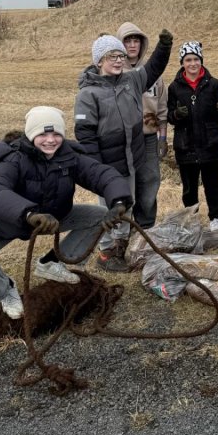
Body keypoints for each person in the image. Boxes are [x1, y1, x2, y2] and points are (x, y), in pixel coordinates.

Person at [0, 106, 132, 319]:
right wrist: (28, 214)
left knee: (99, 215)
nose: (50, 140)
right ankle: (5, 291)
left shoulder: (69, 156)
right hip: (8, 220)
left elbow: (102, 174)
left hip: (53, 217)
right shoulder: (13, 158)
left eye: (56, 134)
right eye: (43, 134)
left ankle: (52, 263)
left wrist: (118, 201)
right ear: (31, 134)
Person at [75, 30, 173, 271]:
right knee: (109, 207)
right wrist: (96, 168)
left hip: (131, 158)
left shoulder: (131, 81)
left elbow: (153, 68)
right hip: (106, 162)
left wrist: (164, 45)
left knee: (127, 203)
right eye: (112, 56)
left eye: (121, 56)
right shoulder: (88, 94)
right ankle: (106, 252)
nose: (119, 61)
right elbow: (85, 134)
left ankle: (121, 247)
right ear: (99, 61)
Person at [167, 41, 218, 230]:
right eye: (188, 60)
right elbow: (169, 116)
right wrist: (177, 114)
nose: (192, 63)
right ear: (182, 63)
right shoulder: (174, 87)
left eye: (196, 59)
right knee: (189, 188)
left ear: (201, 60)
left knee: (213, 185)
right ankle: (192, 219)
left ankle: (215, 218)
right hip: (185, 145)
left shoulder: (214, 84)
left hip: (210, 144)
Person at [116, 21, 169, 230]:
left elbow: (162, 108)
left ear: (142, 44)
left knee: (149, 180)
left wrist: (162, 138)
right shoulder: (114, 73)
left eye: (136, 40)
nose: (132, 45)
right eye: (127, 41)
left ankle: (146, 226)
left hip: (148, 137)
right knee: (125, 182)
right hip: (123, 138)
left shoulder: (153, 73)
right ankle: (124, 228)